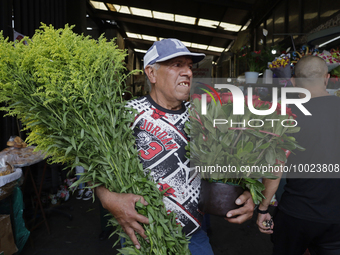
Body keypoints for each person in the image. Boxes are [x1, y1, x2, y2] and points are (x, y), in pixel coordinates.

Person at [95, 38, 255, 254]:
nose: (188, 72)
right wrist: (109, 199)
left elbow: (229, 165)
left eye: (189, 66)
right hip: (144, 237)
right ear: (151, 73)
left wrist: (249, 193)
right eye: (177, 65)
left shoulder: (204, 114)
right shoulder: (126, 114)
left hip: (193, 236)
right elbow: (95, 165)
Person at [256, 55, 340, 255]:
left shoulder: (286, 115)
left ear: (293, 82)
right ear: (327, 78)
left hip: (296, 213)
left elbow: (275, 170)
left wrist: (263, 208)